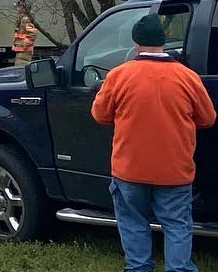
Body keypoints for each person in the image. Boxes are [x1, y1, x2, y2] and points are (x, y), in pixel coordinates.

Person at [92, 14, 215, 272]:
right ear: (164, 42)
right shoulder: (188, 77)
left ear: (137, 43)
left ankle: (138, 268)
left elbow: (100, 115)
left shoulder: (118, 76)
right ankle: (178, 268)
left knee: (133, 222)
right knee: (177, 224)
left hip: (130, 169)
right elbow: (208, 118)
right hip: (175, 170)